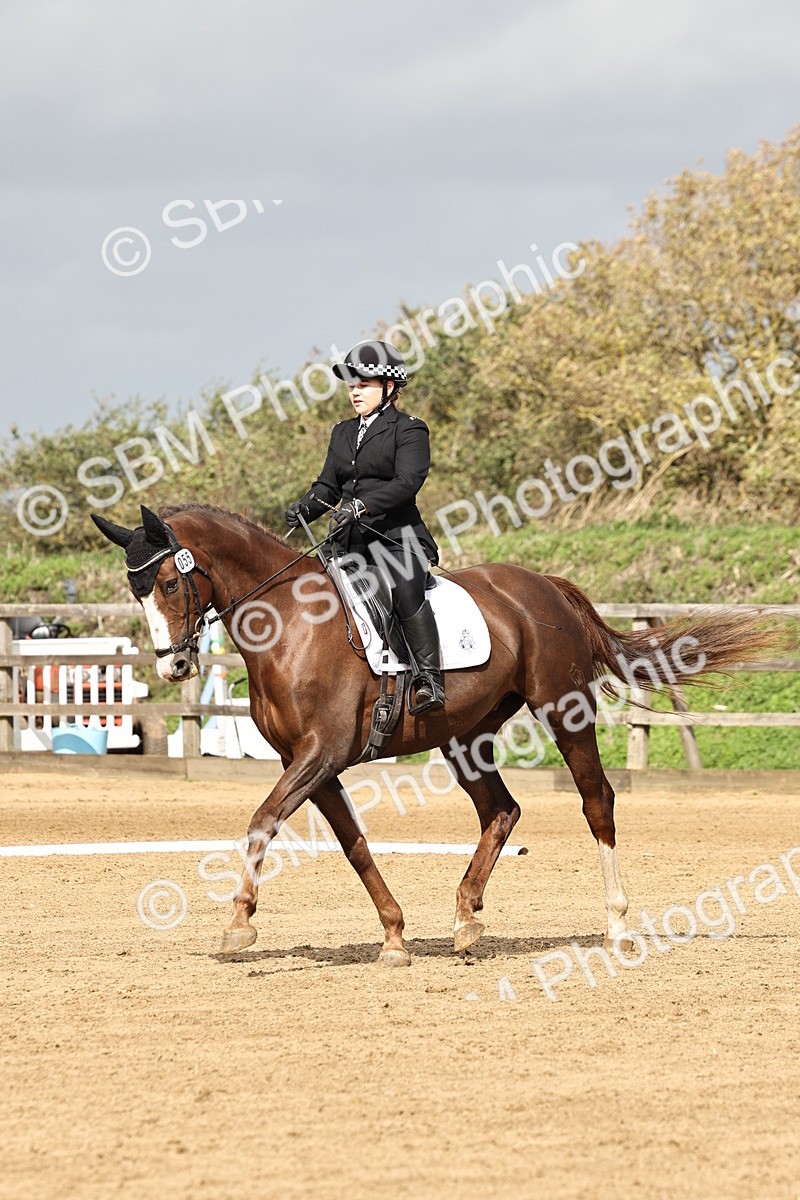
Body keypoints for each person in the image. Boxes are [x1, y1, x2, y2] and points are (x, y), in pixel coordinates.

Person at [285, 340, 445, 713]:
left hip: (397, 540)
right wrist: (305, 508)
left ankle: (429, 680)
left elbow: (408, 481)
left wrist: (362, 505)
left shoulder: (409, 429)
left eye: (364, 384)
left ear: (389, 388)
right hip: (349, 543)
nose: (354, 391)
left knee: (406, 590)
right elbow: (327, 486)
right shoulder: (342, 431)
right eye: (351, 385)